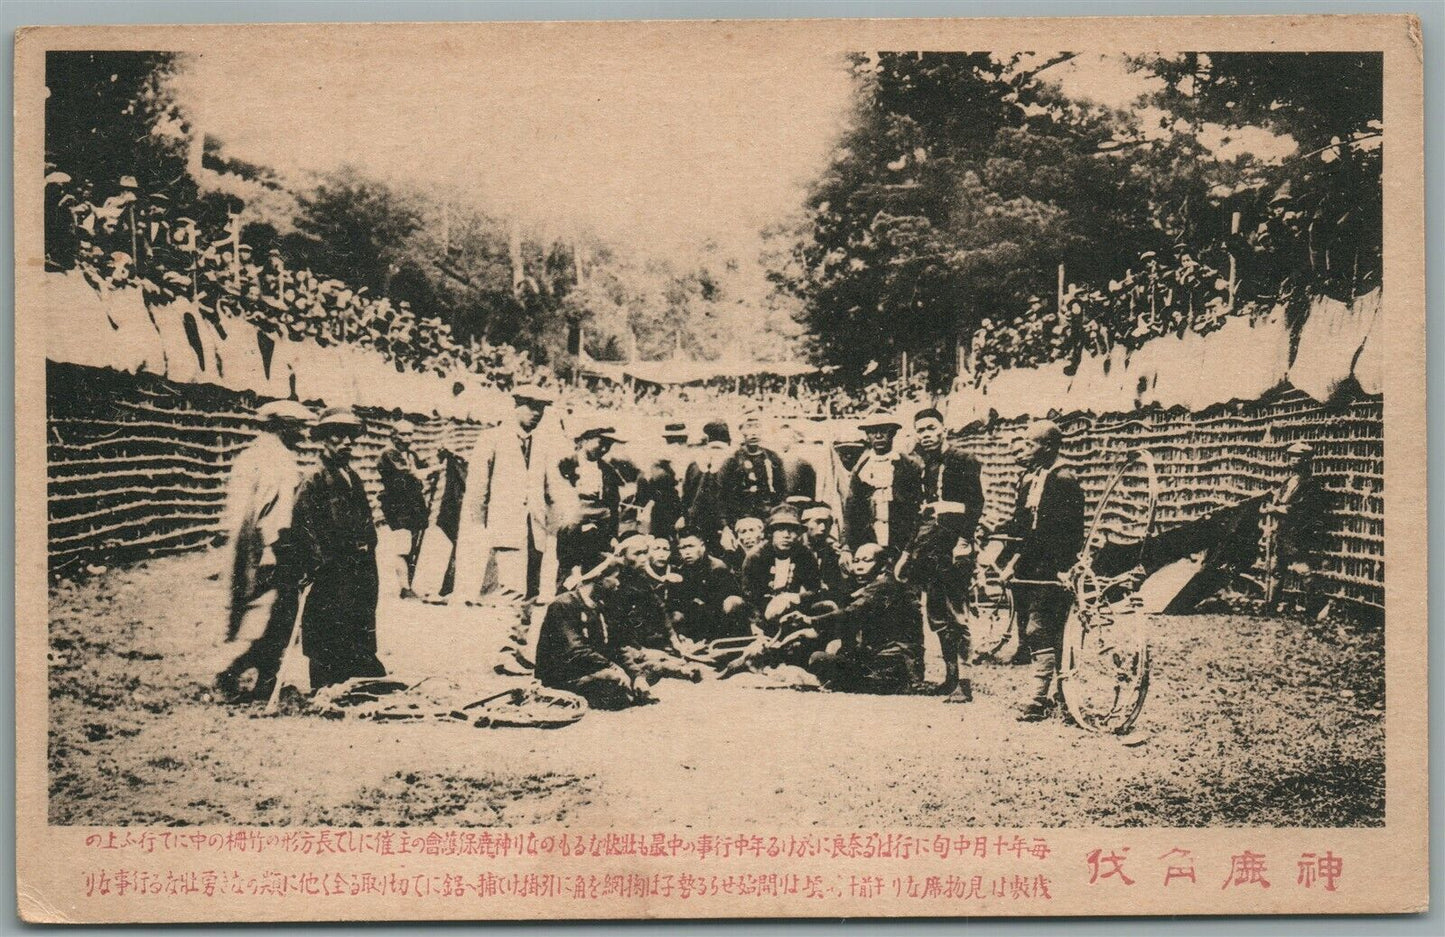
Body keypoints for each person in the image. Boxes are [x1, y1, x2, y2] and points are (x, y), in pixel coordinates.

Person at [214, 399, 312, 702]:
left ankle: (262, 679)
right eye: (299, 427)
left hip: (258, 545)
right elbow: (271, 510)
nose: (304, 434)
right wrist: (274, 551)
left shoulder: (255, 454)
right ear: (281, 426)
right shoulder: (276, 460)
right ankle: (237, 673)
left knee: (274, 616)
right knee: (278, 615)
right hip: (273, 547)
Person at [990, 419, 1086, 721]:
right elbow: (1025, 525)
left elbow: (1060, 532)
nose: (1025, 448)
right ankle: (1059, 696)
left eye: (1031, 444)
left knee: (1040, 628)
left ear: (1047, 446)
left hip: (1052, 565)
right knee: (1047, 630)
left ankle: (1039, 698)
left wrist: (1060, 567)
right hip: (1036, 561)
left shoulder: (1063, 479)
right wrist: (1000, 539)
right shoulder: (1036, 476)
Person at [291, 406, 387, 691]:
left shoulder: (352, 477)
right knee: (328, 626)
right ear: (323, 439)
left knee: (357, 620)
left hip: (359, 567)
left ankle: (355, 677)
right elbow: (303, 526)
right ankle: (327, 683)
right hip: (332, 569)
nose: (346, 442)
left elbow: (366, 520)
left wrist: (367, 547)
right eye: (338, 436)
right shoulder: (314, 480)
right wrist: (317, 563)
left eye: (350, 437)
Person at [451, 385, 568, 604]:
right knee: (505, 594)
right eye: (532, 408)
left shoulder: (543, 444)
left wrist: (556, 521)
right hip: (504, 528)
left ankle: (519, 635)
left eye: (541, 410)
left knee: (530, 598)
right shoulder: (491, 438)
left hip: (535, 531)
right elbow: (477, 488)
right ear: (516, 406)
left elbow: (550, 487)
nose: (537, 415)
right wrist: (479, 527)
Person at [900, 406, 985, 701]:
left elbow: (975, 505)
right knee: (936, 614)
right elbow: (917, 513)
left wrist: (965, 540)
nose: (926, 435)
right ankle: (950, 677)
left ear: (943, 429)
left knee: (957, 614)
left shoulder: (963, 460)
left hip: (953, 546)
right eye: (920, 430)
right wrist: (908, 551)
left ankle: (965, 681)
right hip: (929, 548)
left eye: (931, 428)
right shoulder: (918, 464)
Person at [801, 543, 923, 695]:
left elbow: (851, 613)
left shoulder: (884, 586)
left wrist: (810, 620)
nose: (859, 566)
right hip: (884, 661)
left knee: (818, 659)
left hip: (894, 665)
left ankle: (846, 682)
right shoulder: (873, 585)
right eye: (856, 560)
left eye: (867, 560)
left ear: (883, 564)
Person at [534, 575, 656, 710]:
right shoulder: (563, 604)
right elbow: (575, 650)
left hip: (593, 668)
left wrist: (637, 676)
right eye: (614, 577)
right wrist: (613, 667)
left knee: (652, 669)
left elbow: (615, 647)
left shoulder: (603, 603)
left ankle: (627, 689)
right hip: (564, 675)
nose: (618, 582)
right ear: (598, 577)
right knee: (613, 680)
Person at [556, 424, 625, 588]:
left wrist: (613, 534)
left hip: (600, 523)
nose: (604, 449)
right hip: (571, 521)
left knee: (596, 565)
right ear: (586, 440)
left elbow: (613, 505)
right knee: (569, 566)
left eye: (608, 445)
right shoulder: (565, 464)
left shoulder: (608, 470)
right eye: (600, 443)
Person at [1262, 441, 1328, 613]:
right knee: (1277, 567)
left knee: (1300, 566)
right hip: (1282, 530)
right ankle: (1270, 606)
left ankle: (1316, 603)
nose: (1293, 461)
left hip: (1298, 530)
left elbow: (1303, 509)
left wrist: (1277, 509)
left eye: (1298, 457)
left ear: (1307, 461)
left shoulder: (1310, 484)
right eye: (1291, 457)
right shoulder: (1288, 481)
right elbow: (1279, 501)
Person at [740, 504, 826, 633]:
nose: (786, 535)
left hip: (795, 613)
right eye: (780, 530)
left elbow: (815, 590)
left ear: (798, 534)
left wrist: (794, 597)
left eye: (792, 530)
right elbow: (749, 596)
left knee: (827, 606)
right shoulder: (756, 557)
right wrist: (756, 623)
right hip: (762, 615)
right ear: (771, 533)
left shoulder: (806, 556)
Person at [843, 413, 922, 551]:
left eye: (884, 431)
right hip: (869, 538)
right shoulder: (861, 469)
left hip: (901, 539)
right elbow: (852, 509)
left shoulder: (908, 466)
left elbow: (915, 507)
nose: (878, 436)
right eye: (873, 432)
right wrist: (848, 544)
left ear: (893, 433)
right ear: (867, 436)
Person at [375, 419, 430, 598]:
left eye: (410, 434)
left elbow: (423, 467)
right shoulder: (389, 454)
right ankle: (405, 587)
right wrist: (435, 469)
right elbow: (408, 474)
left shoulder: (410, 454)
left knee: (413, 545)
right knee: (402, 546)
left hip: (413, 505)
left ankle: (409, 584)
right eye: (403, 434)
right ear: (394, 435)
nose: (407, 438)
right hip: (397, 505)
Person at [669, 528, 754, 642]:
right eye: (683, 548)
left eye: (691, 546)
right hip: (695, 621)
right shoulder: (680, 571)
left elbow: (722, 603)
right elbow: (677, 605)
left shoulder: (717, 568)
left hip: (718, 620)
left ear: (702, 547)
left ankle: (734, 642)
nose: (687, 552)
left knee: (733, 602)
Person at [718, 413, 785, 533]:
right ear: (741, 430)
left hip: (768, 516)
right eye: (749, 426)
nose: (753, 432)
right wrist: (726, 525)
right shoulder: (733, 460)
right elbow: (722, 494)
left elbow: (781, 490)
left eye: (757, 426)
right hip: (740, 519)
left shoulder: (773, 458)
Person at [682, 419, 733, 555]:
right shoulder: (732, 460)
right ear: (728, 441)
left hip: (697, 523)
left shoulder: (694, 463)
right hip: (726, 525)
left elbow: (686, 496)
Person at [801, 502, 847, 598]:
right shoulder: (793, 549)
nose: (823, 528)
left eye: (827, 523)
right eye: (818, 522)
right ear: (804, 524)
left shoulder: (832, 552)